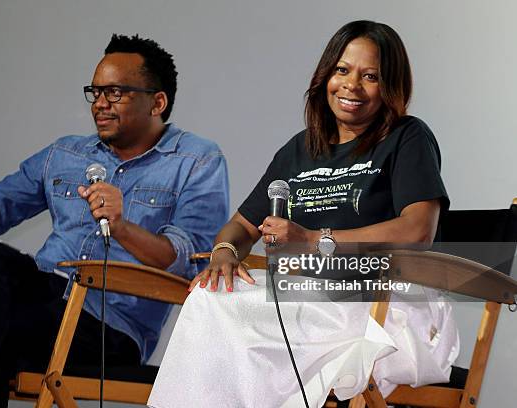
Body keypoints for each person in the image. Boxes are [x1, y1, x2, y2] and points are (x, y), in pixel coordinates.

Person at [0, 34, 229, 407]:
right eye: (95, 92)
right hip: (42, 305)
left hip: (109, 329)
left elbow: (186, 262)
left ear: (157, 102)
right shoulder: (65, 153)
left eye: (116, 92)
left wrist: (121, 227)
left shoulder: (196, 161)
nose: (101, 104)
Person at [148, 21, 457, 408]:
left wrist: (313, 240)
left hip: (384, 306)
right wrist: (225, 252)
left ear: (391, 86)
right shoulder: (300, 150)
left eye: (371, 76)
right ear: (325, 75)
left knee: (239, 327)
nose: (351, 85)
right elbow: (243, 225)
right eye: (342, 70)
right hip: (313, 301)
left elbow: (417, 231)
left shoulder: (407, 137)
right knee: (212, 297)